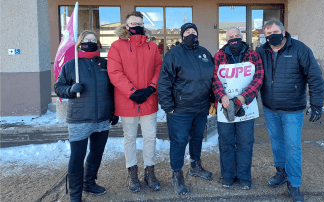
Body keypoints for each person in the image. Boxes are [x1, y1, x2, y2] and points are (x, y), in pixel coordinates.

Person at [256, 20, 324, 202]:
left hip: (292, 109)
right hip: (270, 108)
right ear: (265, 35)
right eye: (269, 33)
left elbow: (315, 77)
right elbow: (249, 73)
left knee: (293, 147)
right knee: (277, 143)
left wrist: (317, 104)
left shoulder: (300, 49)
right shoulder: (261, 51)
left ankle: (294, 184)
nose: (273, 35)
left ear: (284, 31)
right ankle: (281, 172)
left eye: (276, 31)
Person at [54, 30, 118, 202]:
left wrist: (114, 111)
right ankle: (75, 194)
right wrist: (69, 90)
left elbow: (113, 90)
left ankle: (89, 183)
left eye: (93, 39)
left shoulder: (105, 64)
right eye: (86, 39)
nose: (90, 42)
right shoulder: (70, 65)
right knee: (77, 157)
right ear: (80, 43)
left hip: (102, 118)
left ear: (98, 44)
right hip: (80, 120)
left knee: (96, 154)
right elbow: (58, 87)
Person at [107, 11, 162, 192]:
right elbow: (115, 72)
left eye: (139, 23)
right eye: (133, 23)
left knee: (150, 138)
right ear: (126, 26)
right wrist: (131, 92)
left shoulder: (152, 46)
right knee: (129, 138)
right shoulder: (116, 46)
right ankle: (132, 173)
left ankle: (149, 171)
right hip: (127, 100)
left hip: (148, 99)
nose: (136, 26)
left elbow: (159, 68)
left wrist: (151, 88)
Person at [157, 23, 214, 195]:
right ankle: (177, 173)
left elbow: (212, 78)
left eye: (193, 31)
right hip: (180, 109)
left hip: (201, 107)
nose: (191, 33)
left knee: (197, 138)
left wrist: (212, 99)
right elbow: (164, 81)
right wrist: (168, 106)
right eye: (187, 31)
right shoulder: (174, 54)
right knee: (179, 141)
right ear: (182, 35)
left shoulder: (204, 53)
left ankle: (195, 166)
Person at [212, 27, 264, 189]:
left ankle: (244, 176)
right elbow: (214, 78)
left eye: (236, 36)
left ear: (242, 36)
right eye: (230, 36)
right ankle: (227, 175)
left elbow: (258, 78)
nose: (234, 38)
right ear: (226, 39)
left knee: (245, 142)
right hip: (225, 106)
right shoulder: (219, 56)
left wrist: (243, 97)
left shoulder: (254, 55)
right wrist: (222, 96)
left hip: (246, 106)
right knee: (226, 142)